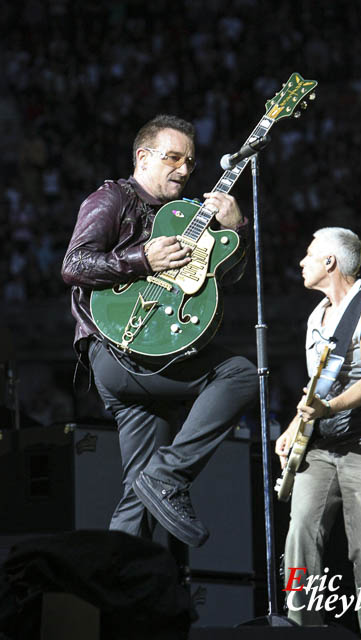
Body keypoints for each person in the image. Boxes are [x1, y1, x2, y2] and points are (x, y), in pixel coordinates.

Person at [62, 114, 258, 548]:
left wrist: (236, 228)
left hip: (158, 353)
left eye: (190, 162)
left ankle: (115, 595)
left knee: (139, 497)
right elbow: (73, 266)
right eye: (173, 158)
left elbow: (226, 277)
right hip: (118, 349)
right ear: (142, 157)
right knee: (241, 374)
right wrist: (142, 260)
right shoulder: (111, 199)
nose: (185, 170)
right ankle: (170, 474)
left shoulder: (187, 215)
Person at [275, 227, 361, 634]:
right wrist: (295, 426)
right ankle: (302, 626)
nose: (301, 262)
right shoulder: (317, 315)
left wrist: (325, 408)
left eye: (309, 254)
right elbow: (319, 385)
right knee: (299, 536)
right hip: (322, 442)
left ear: (330, 262)